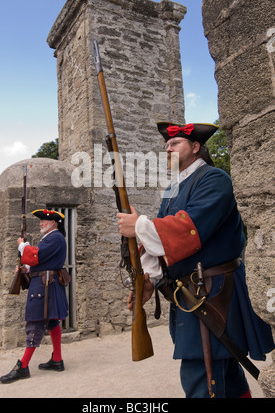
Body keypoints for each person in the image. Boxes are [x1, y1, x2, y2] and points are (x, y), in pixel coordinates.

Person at [117, 122, 274, 398]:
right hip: (192, 293)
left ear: (195, 147)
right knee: (227, 376)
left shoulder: (214, 179)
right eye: (166, 145)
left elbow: (188, 230)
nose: (167, 148)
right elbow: (161, 242)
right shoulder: (172, 188)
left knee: (202, 380)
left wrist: (139, 226)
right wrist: (151, 281)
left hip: (212, 292)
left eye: (174, 143)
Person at [0, 209, 69, 384]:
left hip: (45, 286)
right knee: (52, 321)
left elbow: (36, 255)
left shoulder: (55, 237)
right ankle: (57, 360)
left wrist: (23, 245)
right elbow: (42, 262)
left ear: (53, 223)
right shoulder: (52, 238)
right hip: (45, 283)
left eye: (44, 221)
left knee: (35, 324)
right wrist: (27, 269)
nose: (40, 223)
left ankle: (22, 366)